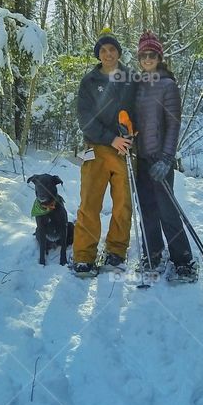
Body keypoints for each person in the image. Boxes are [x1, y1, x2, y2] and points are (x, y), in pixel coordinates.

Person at [71, 29, 138, 277]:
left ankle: (116, 251)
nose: (108, 54)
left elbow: (140, 109)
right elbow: (84, 117)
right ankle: (83, 256)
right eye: (103, 50)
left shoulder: (131, 78)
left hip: (125, 151)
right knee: (90, 203)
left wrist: (132, 134)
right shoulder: (89, 82)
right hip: (96, 148)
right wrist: (111, 138)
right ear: (98, 55)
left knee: (123, 204)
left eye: (112, 49)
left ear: (119, 52)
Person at [133, 31, 196, 281]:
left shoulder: (168, 85)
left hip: (160, 159)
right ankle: (153, 253)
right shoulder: (138, 85)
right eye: (143, 55)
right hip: (141, 158)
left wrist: (167, 158)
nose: (147, 58)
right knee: (147, 208)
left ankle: (183, 261)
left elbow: (173, 125)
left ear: (159, 56)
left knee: (167, 210)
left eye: (152, 54)